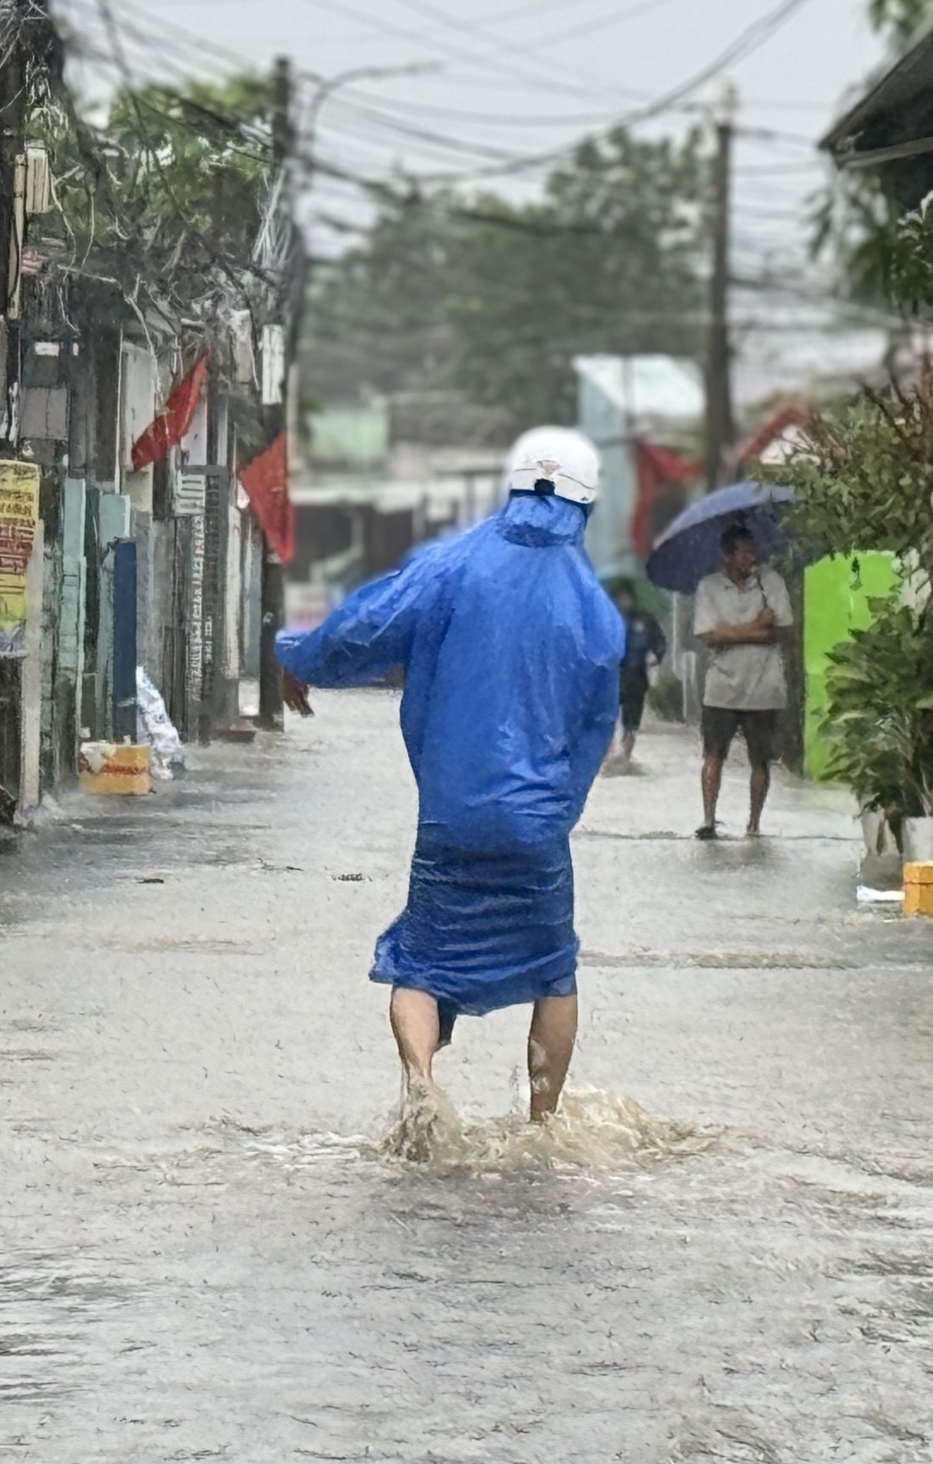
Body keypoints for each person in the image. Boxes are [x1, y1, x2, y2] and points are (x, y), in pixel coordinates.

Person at [276, 427, 624, 1122]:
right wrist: (552, 815)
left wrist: (299, 658)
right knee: (553, 970)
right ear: (586, 506)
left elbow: (363, 626)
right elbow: (592, 737)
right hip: (537, 831)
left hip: (451, 819)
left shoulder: (451, 566)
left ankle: (420, 1087)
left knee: (420, 964)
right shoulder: (598, 613)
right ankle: (544, 1126)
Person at [692, 522, 793, 839]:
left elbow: (783, 630)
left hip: (764, 687)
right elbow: (710, 637)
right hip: (721, 688)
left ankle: (754, 823)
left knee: (760, 760)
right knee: (713, 754)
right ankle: (709, 819)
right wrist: (755, 627)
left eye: (752, 551)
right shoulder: (709, 587)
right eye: (743, 552)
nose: (750, 558)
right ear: (727, 556)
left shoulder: (770, 583)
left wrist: (731, 634)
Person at [605, 582, 667, 772]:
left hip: (636, 678)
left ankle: (625, 757)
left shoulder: (644, 619)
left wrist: (657, 655)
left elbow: (659, 641)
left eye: (626, 597)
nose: (624, 602)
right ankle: (608, 756)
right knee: (607, 719)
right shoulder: (605, 618)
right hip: (610, 678)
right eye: (619, 598)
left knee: (631, 722)